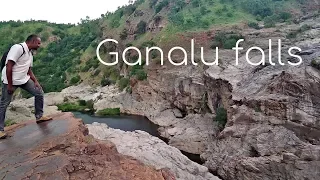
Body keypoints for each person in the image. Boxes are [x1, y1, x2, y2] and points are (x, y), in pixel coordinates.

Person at [0, 34, 52, 139]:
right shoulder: (18, 48)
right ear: (32, 42)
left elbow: (28, 70)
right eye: (38, 43)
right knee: (4, 104)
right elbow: (9, 66)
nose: (39, 45)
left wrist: (36, 82)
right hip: (10, 81)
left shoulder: (30, 53)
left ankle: (39, 116)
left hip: (23, 79)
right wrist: (10, 85)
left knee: (39, 92)